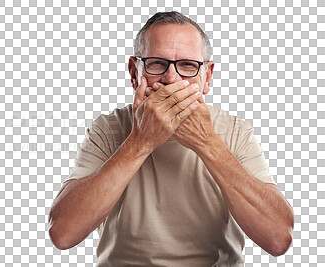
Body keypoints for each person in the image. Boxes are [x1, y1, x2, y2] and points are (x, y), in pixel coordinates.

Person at [48, 11, 294, 266]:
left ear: (207, 77)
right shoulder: (108, 128)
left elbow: (278, 239)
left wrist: (207, 142)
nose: (171, 78)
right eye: (156, 63)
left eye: (187, 65)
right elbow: (63, 234)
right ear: (135, 73)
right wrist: (140, 141)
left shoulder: (234, 131)